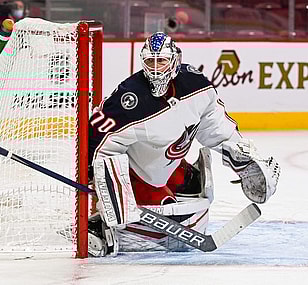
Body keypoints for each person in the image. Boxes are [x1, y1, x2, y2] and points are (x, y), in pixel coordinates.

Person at [87, 32, 281, 256]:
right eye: (150, 61)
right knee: (168, 210)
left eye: (162, 60)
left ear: (175, 60)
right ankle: (97, 225)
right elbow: (98, 139)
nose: (156, 68)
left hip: (167, 163)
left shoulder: (195, 84)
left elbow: (213, 123)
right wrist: (98, 181)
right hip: (137, 173)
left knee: (193, 187)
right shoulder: (130, 99)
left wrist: (239, 154)